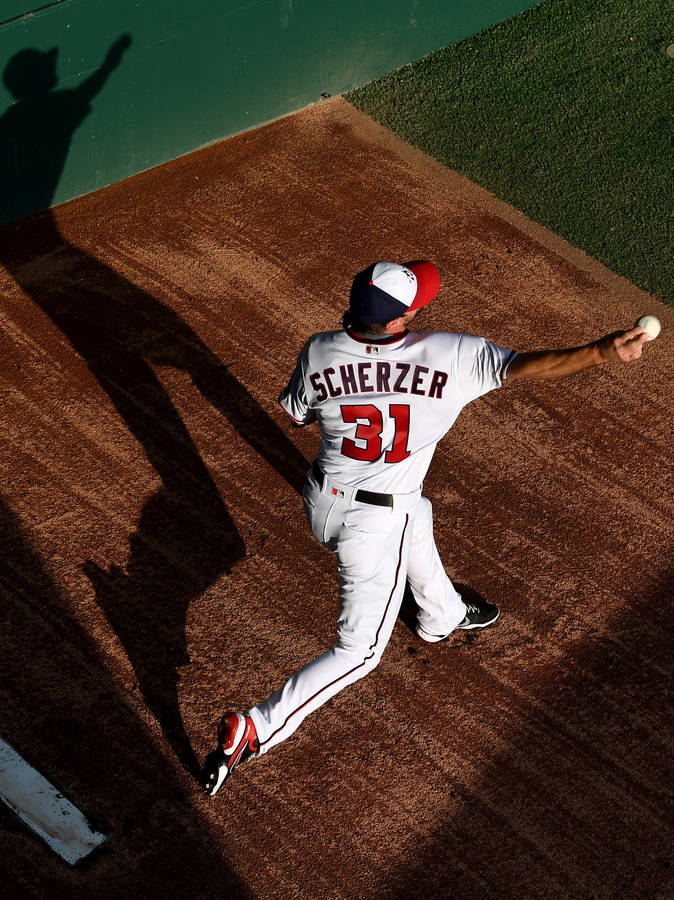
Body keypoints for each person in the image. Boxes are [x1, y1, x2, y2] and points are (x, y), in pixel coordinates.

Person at [201, 259, 649, 795]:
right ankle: (258, 726)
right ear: (397, 321)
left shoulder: (318, 349)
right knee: (361, 652)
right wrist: (602, 351)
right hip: (373, 525)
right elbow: (531, 367)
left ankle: (442, 613)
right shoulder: (450, 355)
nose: (422, 306)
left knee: (418, 506)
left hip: (322, 501)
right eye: (415, 304)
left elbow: (297, 413)